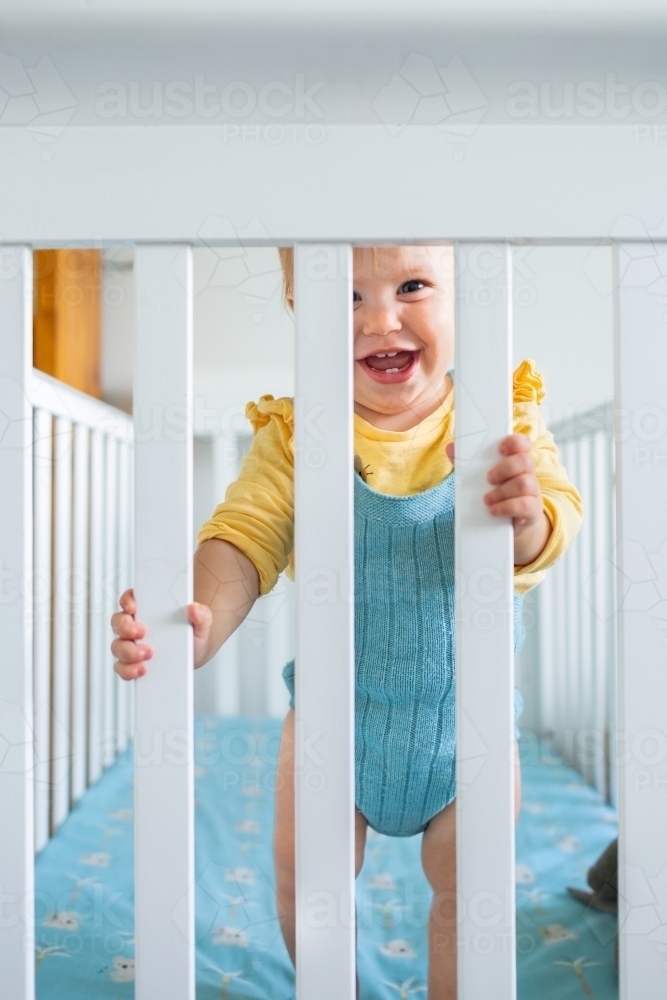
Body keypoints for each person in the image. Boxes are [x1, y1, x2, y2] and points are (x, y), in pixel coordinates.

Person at [111, 245, 583, 999]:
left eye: (412, 286)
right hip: (335, 726)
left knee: (471, 894)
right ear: (300, 309)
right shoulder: (298, 438)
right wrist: (194, 622)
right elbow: (244, 538)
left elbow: (554, 521)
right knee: (308, 881)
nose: (379, 319)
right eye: (345, 297)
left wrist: (522, 517)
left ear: (469, 296)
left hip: (469, 733)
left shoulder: (502, 416)